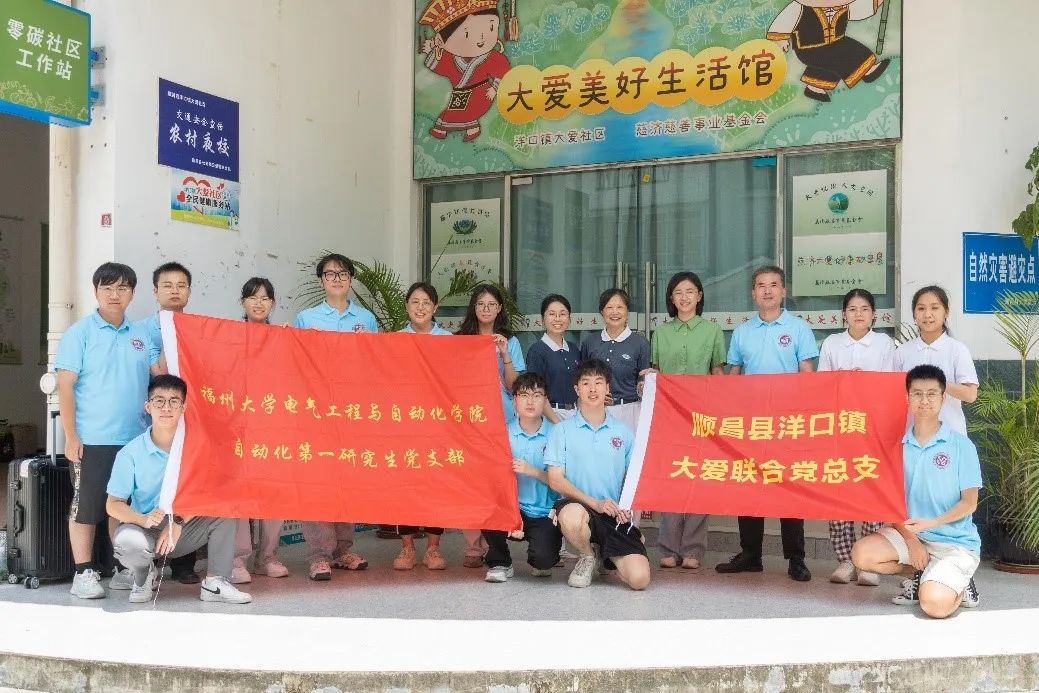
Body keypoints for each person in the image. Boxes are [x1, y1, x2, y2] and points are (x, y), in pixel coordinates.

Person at [55, 262, 161, 599]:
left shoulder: (142, 334)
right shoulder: (79, 333)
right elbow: (65, 387)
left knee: (123, 506)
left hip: (135, 440)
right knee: (86, 508)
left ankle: (123, 569)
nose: (114, 295)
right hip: (92, 439)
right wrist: (71, 436)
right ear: (96, 291)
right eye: (107, 288)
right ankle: (83, 573)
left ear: (132, 293)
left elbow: (161, 377)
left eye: (122, 288)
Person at [107, 375, 252, 604]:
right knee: (127, 539)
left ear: (184, 408)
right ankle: (143, 576)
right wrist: (143, 520)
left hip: (185, 529)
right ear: (148, 407)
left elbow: (210, 492)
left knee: (224, 508)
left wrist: (178, 521)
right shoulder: (130, 453)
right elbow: (113, 504)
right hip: (146, 528)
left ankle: (215, 583)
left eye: (174, 401)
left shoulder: (198, 446)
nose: (166, 408)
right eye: (159, 401)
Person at [850, 365, 981, 618]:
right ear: (907, 398)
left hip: (953, 541)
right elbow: (890, 502)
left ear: (943, 398)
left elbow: (969, 503)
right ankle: (926, 574)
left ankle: (960, 583)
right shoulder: (895, 446)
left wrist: (933, 523)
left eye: (932, 394)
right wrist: (912, 541)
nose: (924, 400)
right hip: (910, 533)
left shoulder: (961, 446)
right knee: (862, 555)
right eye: (917, 393)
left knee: (934, 606)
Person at [716, 265, 818, 582]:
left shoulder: (799, 328)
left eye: (774, 285)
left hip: (788, 423)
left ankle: (796, 558)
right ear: (753, 293)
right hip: (751, 424)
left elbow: (807, 376)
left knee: (789, 489)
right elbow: (734, 377)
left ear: (783, 291)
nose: (768, 291)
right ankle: (751, 554)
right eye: (761, 285)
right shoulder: (742, 332)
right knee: (749, 487)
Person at [293, 253, 376, 580]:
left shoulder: (367, 319)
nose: (337, 279)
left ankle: (343, 549)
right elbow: (295, 362)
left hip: (352, 414)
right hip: (316, 414)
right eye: (330, 274)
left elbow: (376, 363)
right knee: (317, 481)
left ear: (351, 280)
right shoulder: (306, 318)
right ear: (321, 281)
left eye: (342, 274)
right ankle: (319, 554)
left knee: (346, 481)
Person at [545, 359, 651, 591]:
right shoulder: (562, 430)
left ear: (607, 388)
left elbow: (634, 478)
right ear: (577, 389)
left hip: (612, 512)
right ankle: (587, 556)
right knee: (571, 516)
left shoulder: (623, 432)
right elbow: (555, 480)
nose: (592, 389)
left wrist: (627, 507)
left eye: (598, 382)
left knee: (639, 579)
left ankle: (606, 554)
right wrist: (595, 503)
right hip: (578, 506)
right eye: (586, 383)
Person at [817, 288, 897, 586]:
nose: (858, 314)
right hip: (840, 429)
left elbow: (890, 385)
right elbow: (822, 385)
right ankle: (845, 560)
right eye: (852, 309)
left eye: (864, 309)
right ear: (844, 314)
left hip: (873, 430)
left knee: (870, 494)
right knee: (840, 493)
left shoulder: (885, 344)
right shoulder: (832, 343)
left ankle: (868, 562)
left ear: (874, 314)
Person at [646, 272, 725, 571]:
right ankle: (668, 548)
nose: (684, 297)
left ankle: (693, 549)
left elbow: (718, 373)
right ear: (671, 298)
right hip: (669, 416)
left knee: (698, 480)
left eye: (690, 291)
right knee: (672, 479)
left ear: (700, 296)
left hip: (703, 416)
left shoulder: (713, 331)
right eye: (678, 292)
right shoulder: (660, 333)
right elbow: (656, 373)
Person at [137, 261, 201, 585]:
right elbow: (158, 373)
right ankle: (144, 561)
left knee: (183, 486)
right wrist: (171, 334)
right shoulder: (143, 330)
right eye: (167, 285)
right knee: (152, 490)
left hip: (189, 423)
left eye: (181, 285)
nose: (174, 291)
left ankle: (185, 563)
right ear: (155, 291)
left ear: (189, 291)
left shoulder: (200, 328)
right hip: (156, 421)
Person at [230, 278, 290, 582]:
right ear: (242, 302)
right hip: (238, 427)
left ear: (273, 304)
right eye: (252, 298)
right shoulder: (228, 336)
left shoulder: (283, 337)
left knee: (273, 492)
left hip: (273, 426)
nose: (259, 303)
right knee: (240, 493)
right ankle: (238, 559)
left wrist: (294, 342)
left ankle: (268, 556)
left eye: (265, 298)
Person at [390, 282, 451, 570]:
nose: (420, 307)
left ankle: (433, 548)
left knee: (437, 484)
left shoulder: (449, 341)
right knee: (405, 485)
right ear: (406, 306)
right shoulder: (395, 340)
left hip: (438, 424)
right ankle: (407, 548)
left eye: (426, 302)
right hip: (404, 423)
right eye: (415, 302)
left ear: (435, 307)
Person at [481, 373, 562, 583]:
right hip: (510, 507)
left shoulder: (557, 434)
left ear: (545, 400)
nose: (530, 401)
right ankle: (500, 561)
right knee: (486, 505)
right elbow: (492, 480)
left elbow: (564, 482)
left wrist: (533, 471)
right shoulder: (503, 434)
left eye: (537, 395)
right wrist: (510, 514)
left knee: (543, 561)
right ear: (514, 400)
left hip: (543, 512)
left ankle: (539, 557)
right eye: (524, 395)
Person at [894, 285, 978, 436]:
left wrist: (938, 383)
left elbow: (971, 395)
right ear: (914, 314)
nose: (927, 314)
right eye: (921, 308)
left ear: (946, 312)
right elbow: (891, 392)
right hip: (913, 437)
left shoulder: (957, 350)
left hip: (951, 435)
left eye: (934, 308)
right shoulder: (902, 352)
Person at [580, 289, 650, 433]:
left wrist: (643, 387)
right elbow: (582, 379)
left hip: (630, 412)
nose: (614, 312)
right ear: (602, 312)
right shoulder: (590, 342)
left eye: (620, 307)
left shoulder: (640, 343)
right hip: (596, 410)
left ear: (627, 311)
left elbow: (643, 380)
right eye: (609, 307)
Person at [525, 294, 580, 423]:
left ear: (569, 318)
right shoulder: (537, 351)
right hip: (549, 416)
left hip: (575, 415)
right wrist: (557, 423)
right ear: (542, 319)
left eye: (562, 314)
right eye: (551, 314)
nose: (557, 319)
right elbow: (537, 392)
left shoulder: (574, 349)